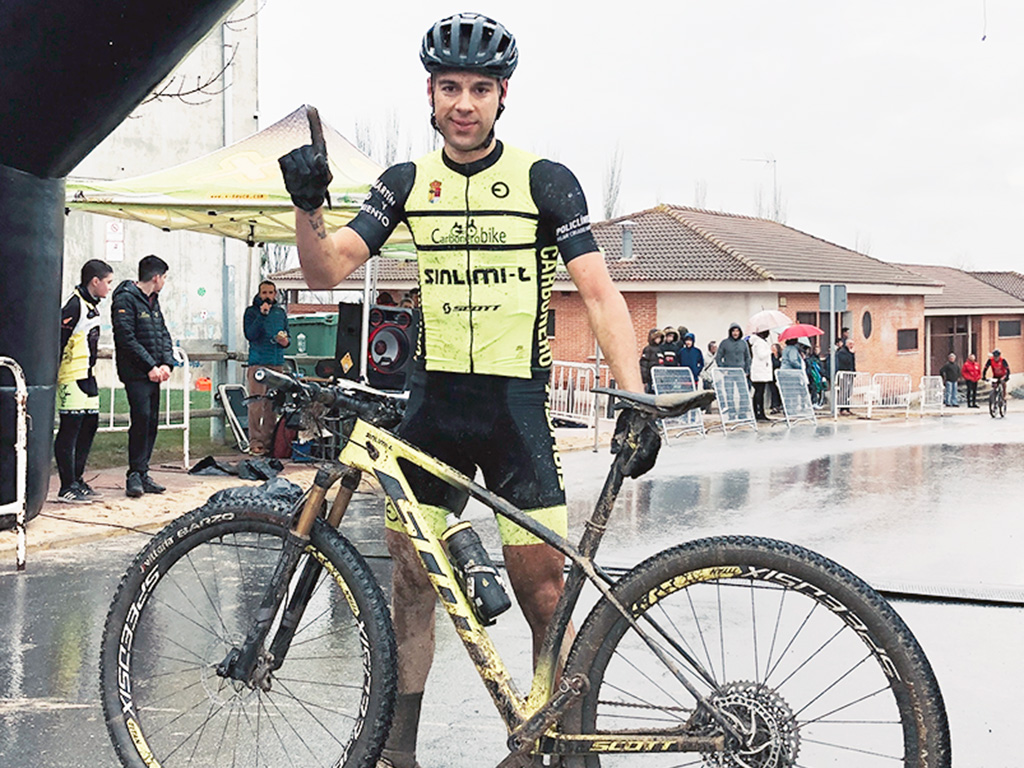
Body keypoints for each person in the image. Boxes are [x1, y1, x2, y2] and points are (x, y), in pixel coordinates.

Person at [278, 14, 652, 768]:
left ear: (502, 94)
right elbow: (324, 272)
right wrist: (308, 205)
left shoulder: (547, 181)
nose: (464, 103)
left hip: (515, 410)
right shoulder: (406, 184)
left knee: (545, 592)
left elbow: (604, 296)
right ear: (430, 91)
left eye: (480, 89)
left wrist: (634, 395)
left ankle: (562, 747)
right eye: (450, 87)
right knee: (412, 582)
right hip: (433, 409)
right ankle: (399, 752)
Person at [112, 254, 174, 498]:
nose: (164, 282)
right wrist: (149, 365)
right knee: (141, 419)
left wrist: (167, 363)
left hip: (154, 374)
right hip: (136, 373)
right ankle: (134, 475)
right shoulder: (125, 299)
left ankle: (143, 470)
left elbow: (163, 334)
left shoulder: (153, 301)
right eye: (164, 277)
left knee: (151, 421)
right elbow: (126, 338)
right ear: (156, 277)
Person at [54, 259, 114, 503]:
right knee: (70, 428)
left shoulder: (92, 304)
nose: (110, 288)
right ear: (95, 281)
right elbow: (59, 339)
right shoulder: (74, 305)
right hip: (71, 374)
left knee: (90, 424)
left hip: (87, 373)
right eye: (108, 282)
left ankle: (78, 479)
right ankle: (66, 486)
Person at [243, 279, 290, 455]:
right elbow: (250, 335)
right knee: (256, 403)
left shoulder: (280, 313)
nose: (268, 296)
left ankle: (269, 442)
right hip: (258, 362)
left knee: (273, 404)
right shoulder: (251, 312)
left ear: (275, 294)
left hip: (276, 362)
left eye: (271, 293)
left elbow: (288, 336)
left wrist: (285, 341)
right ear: (259, 294)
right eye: (265, 293)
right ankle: (255, 442)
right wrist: (262, 315)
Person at [748, 330, 772, 421]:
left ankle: (760, 412)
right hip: (759, 371)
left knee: (761, 392)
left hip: (762, 371)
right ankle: (757, 412)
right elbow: (761, 355)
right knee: (759, 392)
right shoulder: (759, 343)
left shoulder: (761, 342)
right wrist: (770, 351)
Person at [639, 328, 665, 393]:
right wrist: (644, 379)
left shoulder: (660, 349)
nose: (659, 339)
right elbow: (644, 364)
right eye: (657, 337)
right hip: (650, 377)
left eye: (660, 338)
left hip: (659, 376)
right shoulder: (648, 349)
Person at [835, 340, 856, 414]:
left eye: (853, 344)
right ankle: (842, 408)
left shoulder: (850, 353)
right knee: (843, 391)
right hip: (843, 374)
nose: (851, 345)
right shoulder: (842, 352)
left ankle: (847, 407)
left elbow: (852, 363)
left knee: (848, 392)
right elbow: (846, 362)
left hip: (850, 374)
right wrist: (851, 354)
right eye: (850, 344)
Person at [768, 342, 783, 413]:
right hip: (772, 376)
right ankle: (774, 405)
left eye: (774, 348)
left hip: (779, 376)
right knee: (773, 391)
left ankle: (780, 405)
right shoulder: (770, 356)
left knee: (779, 391)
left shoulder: (781, 357)